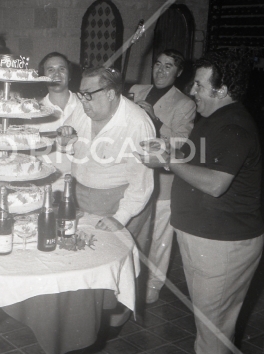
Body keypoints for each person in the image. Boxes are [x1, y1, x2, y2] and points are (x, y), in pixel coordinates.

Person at [135, 50, 264, 354]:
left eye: (199, 86)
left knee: (213, 331)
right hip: (204, 237)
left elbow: (216, 184)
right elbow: (197, 159)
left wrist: (167, 161)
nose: (192, 92)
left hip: (223, 243)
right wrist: (166, 147)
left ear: (222, 90)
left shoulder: (234, 126)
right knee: (208, 325)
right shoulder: (213, 118)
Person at [58, 67, 155, 324]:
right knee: (81, 259)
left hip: (119, 201)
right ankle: (83, 317)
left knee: (116, 267)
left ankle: (113, 320)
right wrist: (65, 139)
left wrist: (120, 217)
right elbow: (68, 142)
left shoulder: (138, 123)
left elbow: (142, 182)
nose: (83, 101)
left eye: (89, 94)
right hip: (82, 195)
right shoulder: (83, 108)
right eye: (81, 94)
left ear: (111, 93)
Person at [129, 49, 196, 304]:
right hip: (134, 176)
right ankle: (130, 279)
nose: (160, 70)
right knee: (132, 232)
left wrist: (154, 120)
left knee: (159, 237)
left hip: (163, 183)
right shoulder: (137, 88)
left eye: (168, 66)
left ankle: (153, 284)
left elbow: (182, 144)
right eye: (158, 64)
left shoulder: (185, 104)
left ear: (178, 72)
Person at [32, 52, 86, 196]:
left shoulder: (85, 105)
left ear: (69, 75)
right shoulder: (34, 111)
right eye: (50, 69)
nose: (56, 74)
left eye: (62, 69)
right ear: (43, 77)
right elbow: (29, 151)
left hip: (82, 186)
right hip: (46, 187)